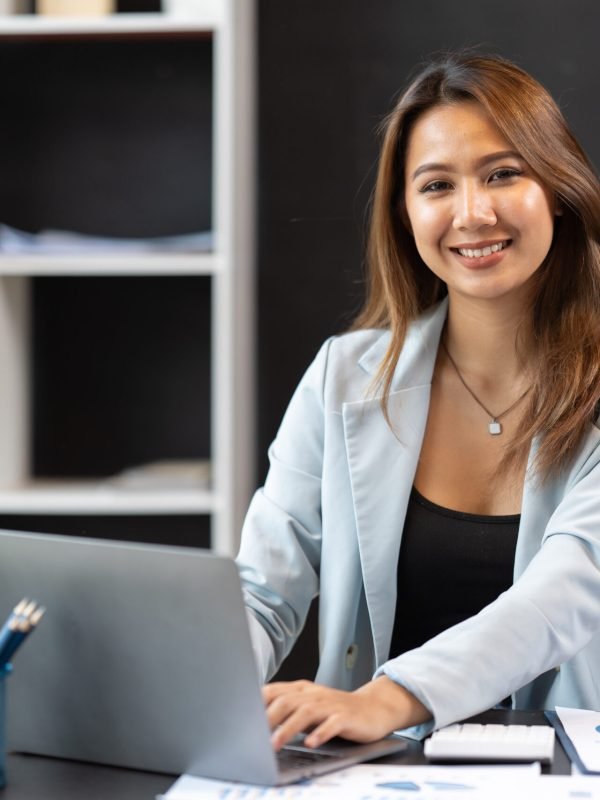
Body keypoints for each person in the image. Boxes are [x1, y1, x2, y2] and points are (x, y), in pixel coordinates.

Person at [236, 52, 600, 749]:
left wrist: (389, 697)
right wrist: (199, 695)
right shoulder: (343, 377)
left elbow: (560, 597)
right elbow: (262, 590)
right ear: (405, 214)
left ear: (555, 187)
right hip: (369, 773)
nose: (473, 212)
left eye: (503, 173)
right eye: (437, 185)